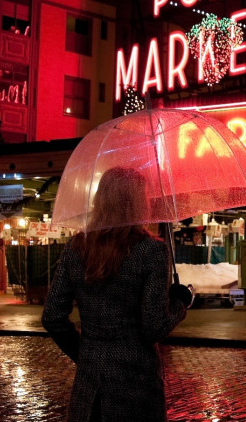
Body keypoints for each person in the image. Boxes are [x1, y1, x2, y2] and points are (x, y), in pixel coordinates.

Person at [42, 166, 192, 422]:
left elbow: (52, 316)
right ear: (137, 203)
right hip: (137, 385)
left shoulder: (77, 246)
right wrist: (180, 302)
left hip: (89, 391)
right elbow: (154, 326)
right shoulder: (151, 251)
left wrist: (85, 353)